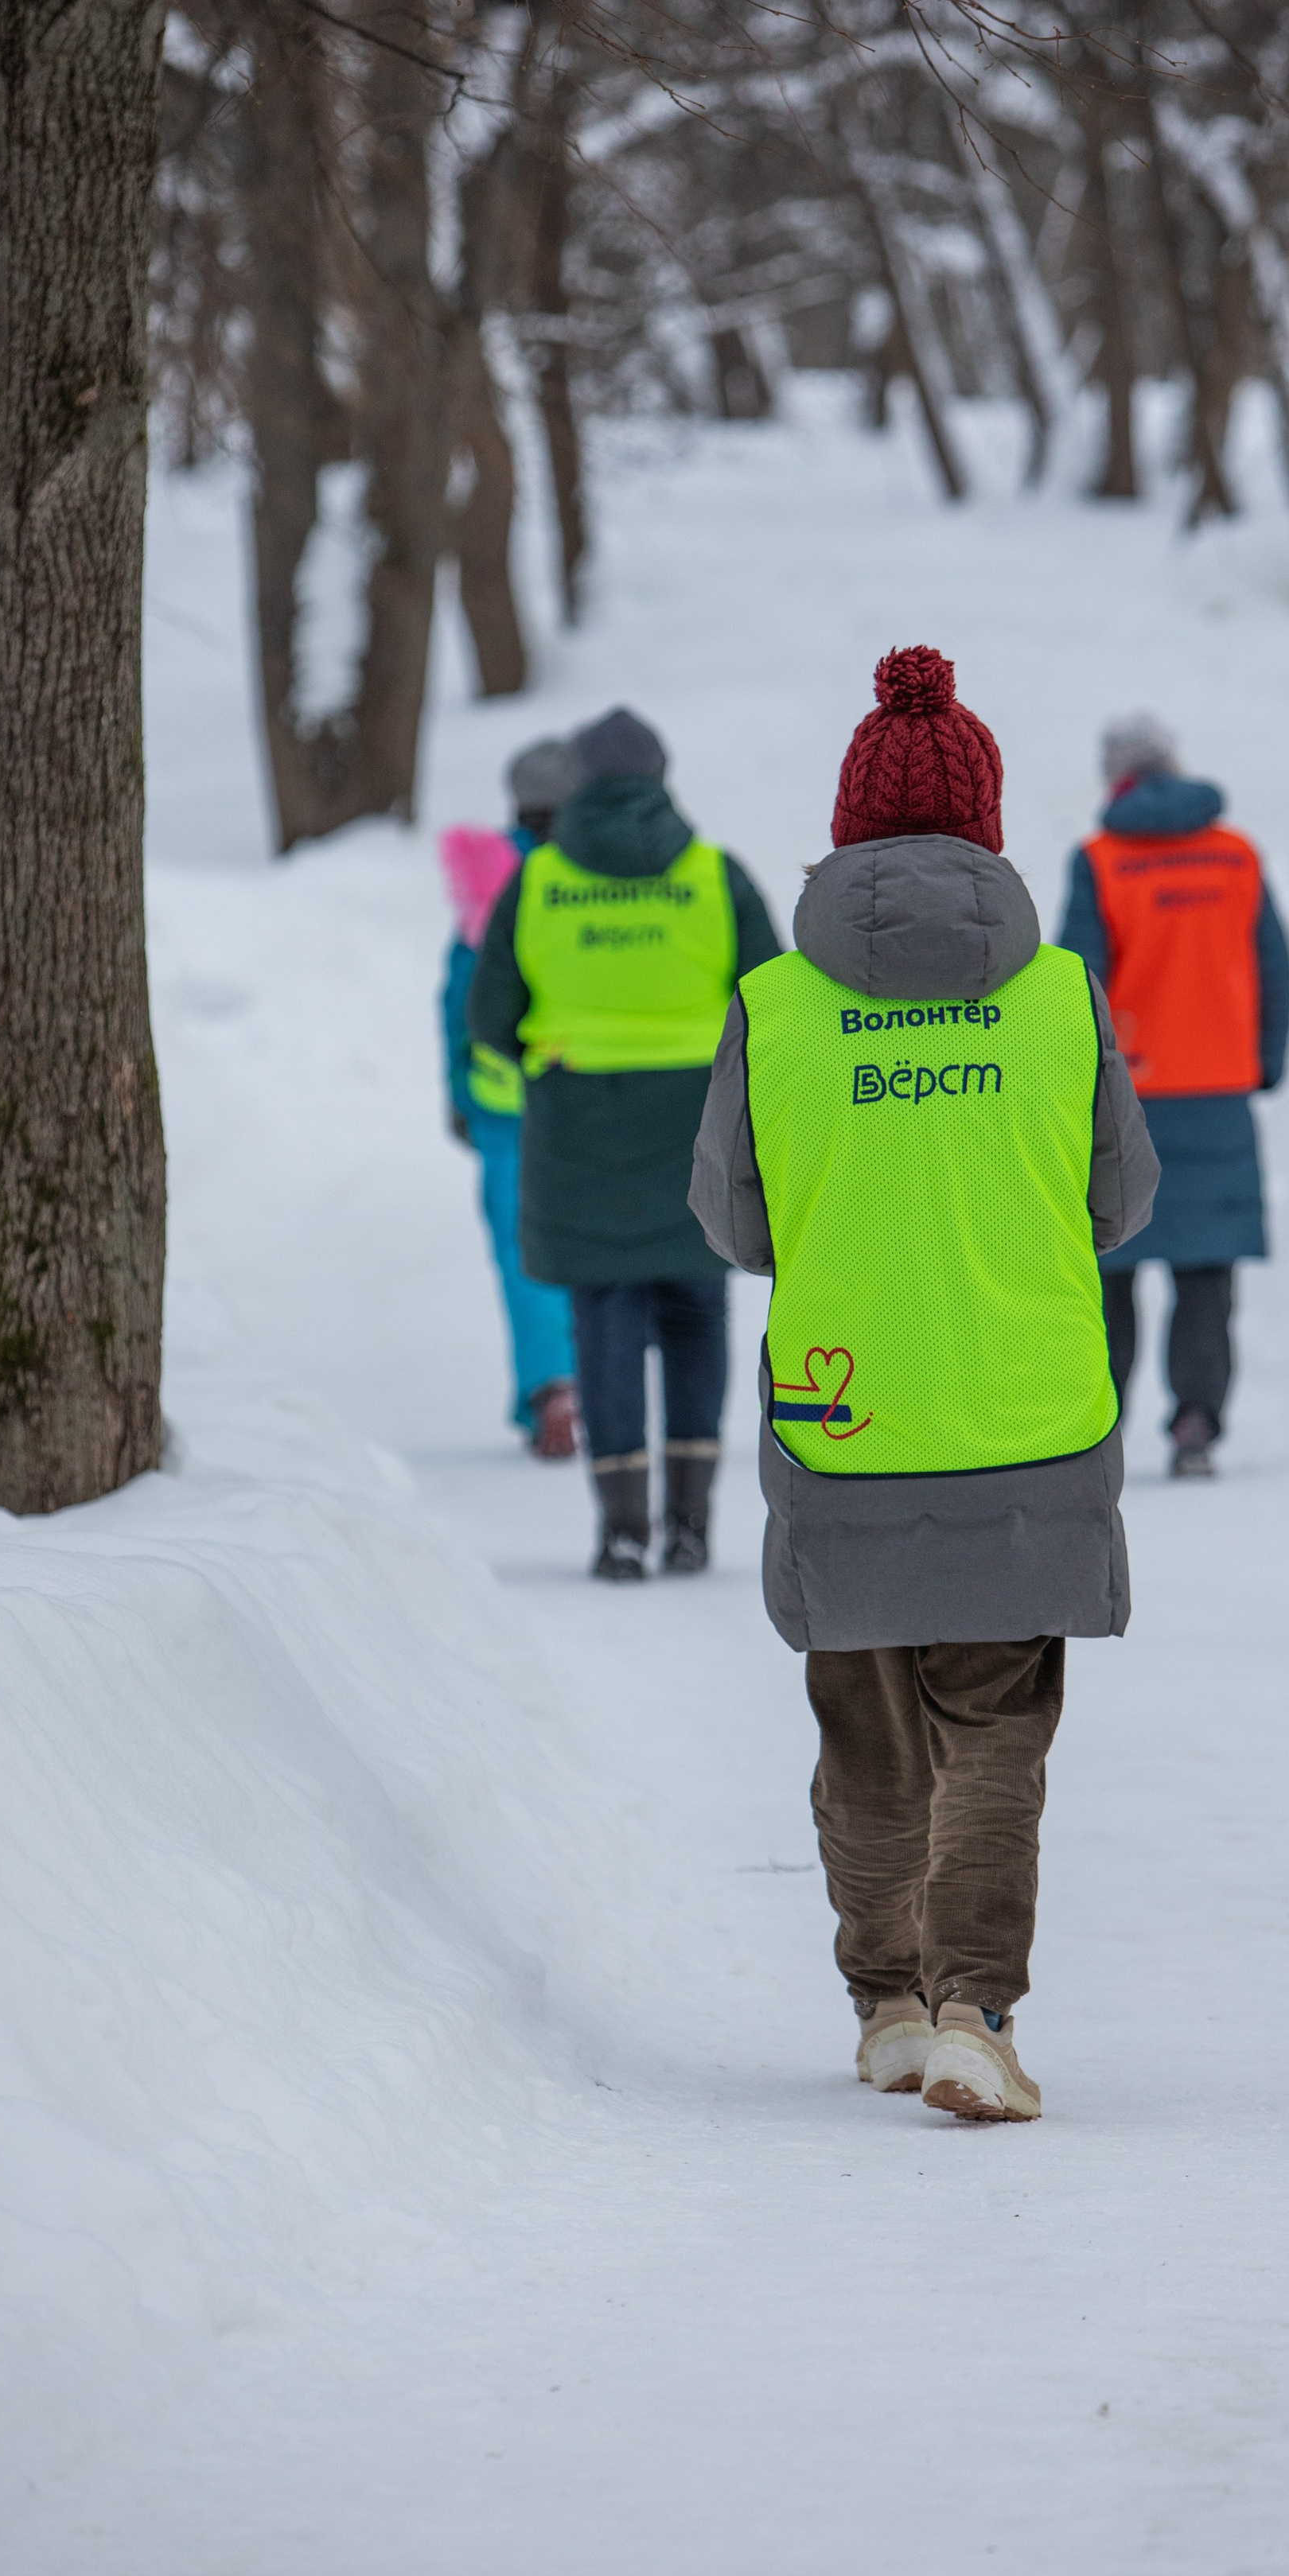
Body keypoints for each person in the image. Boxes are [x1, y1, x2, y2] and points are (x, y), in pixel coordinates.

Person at [690, 645, 1158, 2123]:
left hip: (848, 1420)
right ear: (991, 829)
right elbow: (1124, 1197)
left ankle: (886, 2002)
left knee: (866, 1737)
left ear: (843, 829)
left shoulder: (773, 1003)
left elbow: (732, 1220)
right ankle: (978, 2009)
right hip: (1025, 1415)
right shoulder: (1064, 997)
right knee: (997, 1742)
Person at [469, 707, 779, 1579]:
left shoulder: (536, 885)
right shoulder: (715, 877)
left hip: (577, 1131)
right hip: (698, 1132)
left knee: (603, 1320)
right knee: (694, 1315)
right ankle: (690, 1522)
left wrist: (550, 1050)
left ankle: (620, 1527)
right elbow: (772, 994)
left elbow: (490, 1018)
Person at [1059, 710, 1289, 1478]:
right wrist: (1266, 1060)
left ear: (1115, 779)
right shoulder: (1237, 857)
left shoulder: (1100, 862)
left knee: (1112, 1260)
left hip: (1127, 1091)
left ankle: (1101, 1418)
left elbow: (1078, 981)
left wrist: (1069, 1082)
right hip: (1220, 1087)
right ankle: (1196, 1419)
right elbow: (1274, 966)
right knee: (1206, 1269)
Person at [438, 740, 581, 1459]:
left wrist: (457, 1088)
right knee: (594, 1241)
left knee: (522, 1250)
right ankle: (601, 1382)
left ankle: (550, 1387)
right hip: (588, 1090)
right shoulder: (594, 876)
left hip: (502, 1102)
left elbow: (461, 991)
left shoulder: (489, 873)